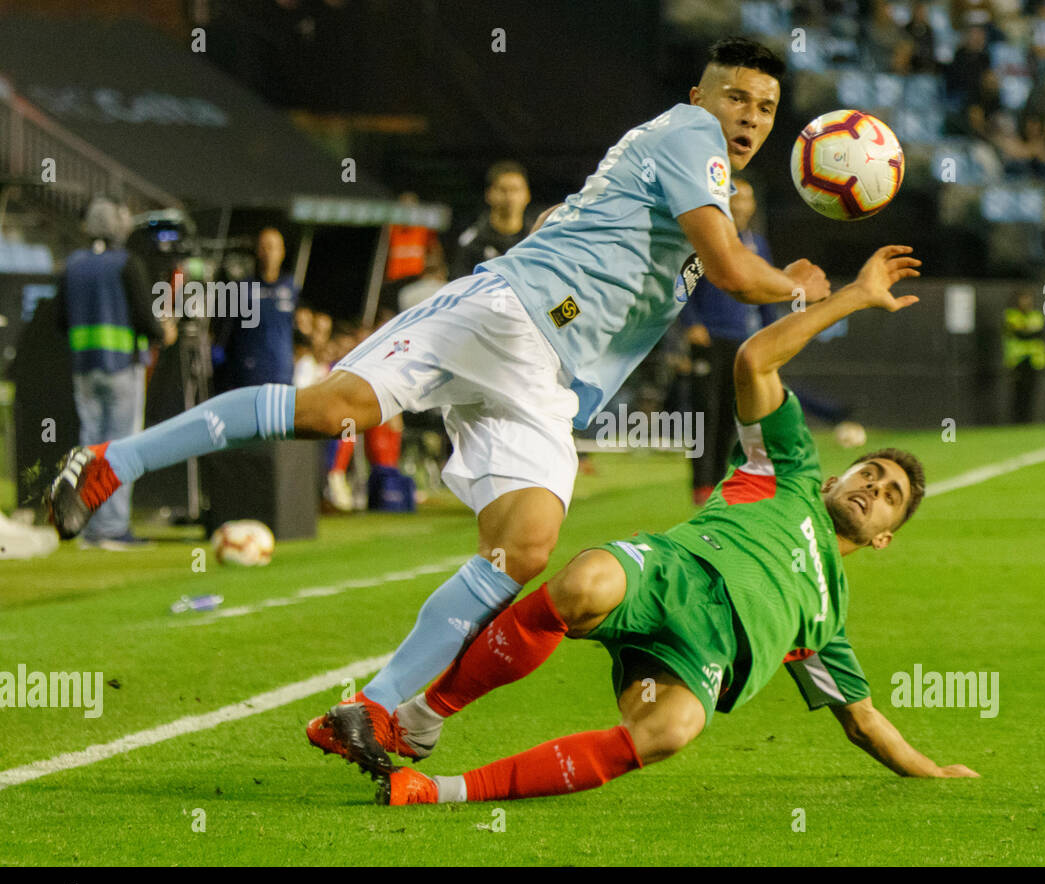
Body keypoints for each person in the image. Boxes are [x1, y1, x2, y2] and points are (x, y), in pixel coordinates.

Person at [46, 38, 831, 754]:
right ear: (700, 97)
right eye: (736, 98)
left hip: (547, 382)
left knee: (523, 545)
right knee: (331, 412)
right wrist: (795, 286)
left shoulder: (697, 171)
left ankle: (375, 707)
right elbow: (732, 273)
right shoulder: (689, 136)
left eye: (764, 108)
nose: (750, 118)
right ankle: (111, 462)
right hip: (509, 313)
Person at [323, 246, 977, 805]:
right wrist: (856, 297)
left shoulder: (827, 619)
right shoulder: (791, 469)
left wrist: (932, 771)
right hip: (665, 577)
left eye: (890, 495)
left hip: (691, 663)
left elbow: (862, 721)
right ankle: (422, 719)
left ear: (884, 536)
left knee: (671, 731)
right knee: (585, 584)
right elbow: (754, 361)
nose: (874, 488)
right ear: (838, 478)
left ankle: (441, 792)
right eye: (870, 474)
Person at [55, 198, 176, 549]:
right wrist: (162, 332)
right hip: (122, 367)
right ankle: (112, 527)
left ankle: (88, 526)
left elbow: (59, 320)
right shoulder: (126, 263)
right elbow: (144, 317)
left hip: (84, 370)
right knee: (121, 445)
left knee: (91, 445)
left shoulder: (73, 264)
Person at [679, 175, 783, 504]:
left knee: (731, 414)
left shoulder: (757, 243)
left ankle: (721, 479)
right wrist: (691, 323)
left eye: (746, 199)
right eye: (734, 198)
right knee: (702, 414)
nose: (740, 205)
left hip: (743, 341)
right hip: (710, 338)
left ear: (753, 205)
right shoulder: (707, 237)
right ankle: (700, 483)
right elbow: (682, 283)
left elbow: (767, 291)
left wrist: (773, 333)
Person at [210, 227, 298, 393]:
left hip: (281, 374)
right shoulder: (242, 288)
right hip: (248, 374)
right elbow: (224, 330)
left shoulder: (291, 287)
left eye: (273, 247)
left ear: (282, 251)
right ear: (257, 251)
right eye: (264, 247)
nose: (268, 253)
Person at [450, 161, 532, 279]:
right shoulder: (471, 242)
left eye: (515, 190)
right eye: (503, 190)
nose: (509, 197)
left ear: (527, 195)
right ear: (489, 194)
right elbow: (458, 285)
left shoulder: (537, 239)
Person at [1003, 289, 1045, 424]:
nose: (1026, 302)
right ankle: (1016, 422)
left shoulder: (1036, 315)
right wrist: (1029, 331)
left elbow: (1040, 333)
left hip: (1034, 361)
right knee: (1017, 393)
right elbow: (1020, 334)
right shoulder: (1011, 315)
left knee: (1030, 393)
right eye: (1023, 298)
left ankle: (1028, 422)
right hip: (1017, 361)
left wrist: (1026, 331)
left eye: (1028, 299)